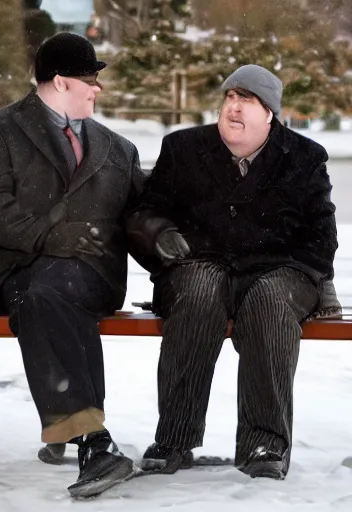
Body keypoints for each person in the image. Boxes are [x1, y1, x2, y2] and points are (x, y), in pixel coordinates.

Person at [126, 64, 339, 480]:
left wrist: (300, 272)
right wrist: (160, 234)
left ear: (270, 115)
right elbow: (143, 212)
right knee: (199, 293)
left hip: (281, 272)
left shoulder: (304, 158)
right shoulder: (183, 148)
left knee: (270, 303)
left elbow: (322, 237)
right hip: (199, 263)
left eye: (249, 101)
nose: (235, 108)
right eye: (230, 97)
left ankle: (265, 443)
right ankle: (175, 438)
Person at [0, 32, 145, 497]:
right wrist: (48, 234)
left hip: (90, 274)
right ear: (61, 82)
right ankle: (93, 442)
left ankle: (79, 431)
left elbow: (142, 216)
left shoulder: (118, 149)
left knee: (52, 292)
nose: (97, 89)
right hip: (10, 269)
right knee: (43, 293)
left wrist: (168, 248)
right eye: (91, 80)